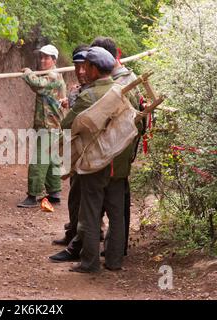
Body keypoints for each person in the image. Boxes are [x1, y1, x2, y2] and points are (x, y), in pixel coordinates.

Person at [59, 47, 127, 273]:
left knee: (89, 212)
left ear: (95, 70)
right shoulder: (122, 90)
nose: (82, 70)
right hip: (118, 164)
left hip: (95, 162)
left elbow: (67, 125)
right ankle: (114, 261)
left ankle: (90, 262)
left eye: (86, 66)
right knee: (117, 215)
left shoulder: (88, 95)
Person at [90, 37, 144, 256]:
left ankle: (112, 253)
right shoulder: (125, 79)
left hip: (114, 152)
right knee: (116, 203)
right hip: (118, 152)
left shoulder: (122, 83)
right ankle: (114, 251)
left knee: (112, 205)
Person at [51, 44, 91, 248]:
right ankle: (75, 231)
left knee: (82, 197)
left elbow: (73, 122)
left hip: (89, 152)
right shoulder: (80, 90)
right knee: (77, 194)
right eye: (77, 66)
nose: (81, 71)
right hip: (77, 150)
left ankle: (80, 236)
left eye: (84, 66)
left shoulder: (94, 91)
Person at [17, 45, 67, 208]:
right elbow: (38, 88)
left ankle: (33, 195)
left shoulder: (53, 75)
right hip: (51, 124)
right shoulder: (48, 75)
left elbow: (38, 84)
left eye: (47, 58)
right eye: (42, 57)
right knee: (52, 159)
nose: (43, 60)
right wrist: (29, 76)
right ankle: (54, 193)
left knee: (39, 159)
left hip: (49, 125)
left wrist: (28, 73)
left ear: (54, 60)